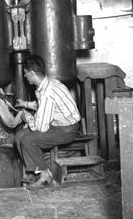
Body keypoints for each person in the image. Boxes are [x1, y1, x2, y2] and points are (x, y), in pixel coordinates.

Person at [15, 54, 80, 188]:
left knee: (28, 140)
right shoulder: (47, 84)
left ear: (32, 73)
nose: (25, 77)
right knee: (19, 135)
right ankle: (34, 172)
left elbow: (41, 127)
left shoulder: (48, 93)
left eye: (26, 73)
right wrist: (25, 104)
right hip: (59, 126)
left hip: (67, 130)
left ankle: (46, 176)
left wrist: (25, 115)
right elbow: (41, 106)